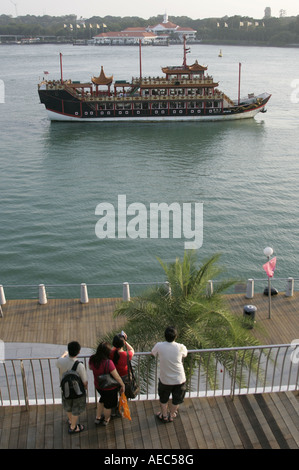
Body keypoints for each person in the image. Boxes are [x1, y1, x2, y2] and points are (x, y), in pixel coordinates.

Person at [151, 326, 188, 423]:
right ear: (176, 336)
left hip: (165, 380)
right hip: (179, 379)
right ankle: (172, 415)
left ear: (165, 336)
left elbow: (152, 353)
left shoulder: (159, 345)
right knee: (176, 399)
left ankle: (164, 415)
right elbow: (185, 354)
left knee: (163, 398)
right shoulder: (180, 347)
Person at [89, 342, 125, 426]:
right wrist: (122, 384)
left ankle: (98, 417)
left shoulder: (92, 359)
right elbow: (117, 377)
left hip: (98, 385)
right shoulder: (108, 363)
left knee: (102, 400)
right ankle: (106, 419)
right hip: (109, 388)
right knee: (108, 405)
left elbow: (90, 368)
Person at [56, 341, 88, 434]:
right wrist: (85, 388)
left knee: (68, 406)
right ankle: (73, 427)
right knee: (76, 409)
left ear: (69, 350)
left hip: (65, 389)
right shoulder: (79, 365)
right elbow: (85, 381)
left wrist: (64, 354)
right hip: (77, 391)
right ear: (78, 352)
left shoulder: (61, 361)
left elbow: (58, 361)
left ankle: (70, 421)